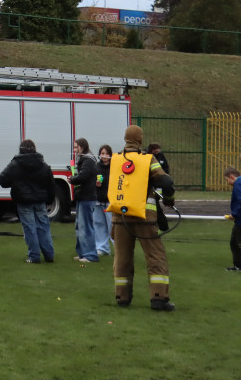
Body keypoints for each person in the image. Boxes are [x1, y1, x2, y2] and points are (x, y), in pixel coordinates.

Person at [111, 125, 176, 311]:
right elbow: (165, 181)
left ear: (125, 139)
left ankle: (121, 297)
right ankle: (159, 298)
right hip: (144, 217)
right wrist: (169, 199)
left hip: (120, 217)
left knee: (122, 259)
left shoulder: (116, 159)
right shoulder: (148, 159)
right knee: (156, 257)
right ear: (140, 140)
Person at [0, 139, 56, 264]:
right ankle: (49, 255)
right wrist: (50, 199)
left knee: (29, 228)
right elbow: (51, 184)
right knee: (43, 227)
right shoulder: (43, 164)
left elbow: (3, 180)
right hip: (40, 200)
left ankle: (34, 256)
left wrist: (14, 182)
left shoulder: (16, 164)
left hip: (23, 200)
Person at [69, 138, 99, 262]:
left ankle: (90, 255)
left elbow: (84, 175)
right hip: (82, 197)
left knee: (86, 227)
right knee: (79, 226)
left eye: (76, 147)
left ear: (82, 147)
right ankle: (82, 253)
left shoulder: (88, 160)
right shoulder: (84, 160)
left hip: (87, 197)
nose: (75, 150)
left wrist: (73, 179)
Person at [93, 144, 113, 256]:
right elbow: (92, 181)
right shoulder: (96, 167)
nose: (104, 156)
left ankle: (117, 247)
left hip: (110, 201)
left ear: (110, 155)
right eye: (102, 153)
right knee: (99, 224)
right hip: (98, 200)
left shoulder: (114, 167)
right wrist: (96, 184)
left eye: (106, 154)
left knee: (112, 225)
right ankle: (102, 248)